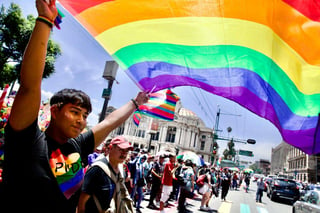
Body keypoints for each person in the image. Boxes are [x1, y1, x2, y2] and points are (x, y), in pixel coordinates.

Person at [1, 1, 149, 212]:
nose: (82, 120)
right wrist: (44, 20)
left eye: (85, 115)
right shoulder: (26, 139)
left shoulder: (76, 147)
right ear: (54, 110)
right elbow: (30, 86)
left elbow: (109, 122)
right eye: (74, 112)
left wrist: (136, 103)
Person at [77, 136, 134, 213]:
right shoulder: (97, 169)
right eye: (121, 150)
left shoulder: (121, 170)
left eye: (126, 151)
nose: (124, 154)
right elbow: (82, 202)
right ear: (110, 148)